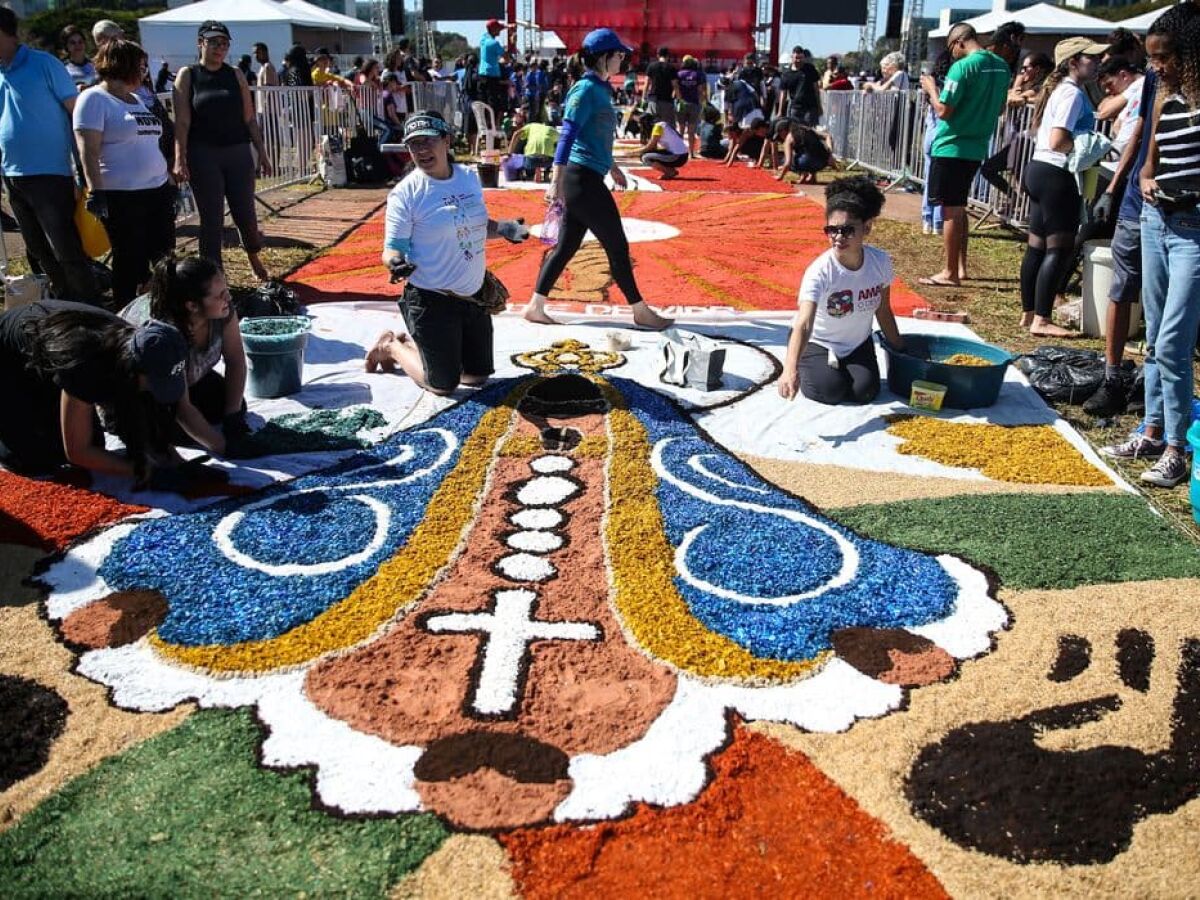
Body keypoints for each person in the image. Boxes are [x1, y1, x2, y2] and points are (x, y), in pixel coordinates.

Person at [1102, 6, 1200, 487]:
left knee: (1175, 343)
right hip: (1155, 220)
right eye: (1152, 58)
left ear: (1191, 54)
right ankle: (1153, 430)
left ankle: (1178, 449)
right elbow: (1149, 161)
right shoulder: (1162, 94)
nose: (1156, 67)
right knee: (1156, 337)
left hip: (1192, 231)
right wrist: (1145, 180)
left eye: (1164, 58)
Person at [364, 111, 530, 393]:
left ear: (447, 140)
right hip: (432, 298)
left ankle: (432, 349)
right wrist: (395, 263)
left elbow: (475, 224)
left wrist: (504, 228)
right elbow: (392, 248)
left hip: (473, 295)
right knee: (442, 385)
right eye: (414, 144)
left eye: (428, 140)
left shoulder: (467, 177)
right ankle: (391, 345)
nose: (422, 150)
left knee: (475, 377)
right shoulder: (406, 194)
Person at [523, 29, 674, 330]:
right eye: (618, 54)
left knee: (566, 247)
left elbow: (595, 137)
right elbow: (567, 136)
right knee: (616, 246)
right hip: (580, 180)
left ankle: (535, 306)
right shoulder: (585, 90)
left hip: (587, 176)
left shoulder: (599, 89)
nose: (622, 59)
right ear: (604, 57)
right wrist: (555, 182)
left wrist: (613, 166)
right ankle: (640, 311)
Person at [0, 300, 226, 489]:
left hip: (60, 353)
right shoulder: (85, 363)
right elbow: (78, 451)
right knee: (44, 457)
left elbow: (149, 412)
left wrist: (178, 463)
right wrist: (144, 471)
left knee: (108, 437)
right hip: (11, 359)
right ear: (134, 369)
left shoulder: (147, 347)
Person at [0, 7, 98, 303]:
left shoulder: (45, 63)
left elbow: (76, 114)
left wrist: (81, 168)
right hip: (12, 175)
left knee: (66, 248)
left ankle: (89, 307)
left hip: (50, 173)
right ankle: (65, 303)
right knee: (37, 249)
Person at [777, 176, 905, 405]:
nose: (838, 237)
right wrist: (790, 369)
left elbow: (883, 310)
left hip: (857, 343)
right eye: (832, 230)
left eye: (847, 230)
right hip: (818, 341)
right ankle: (810, 362)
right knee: (831, 391)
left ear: (867, 227)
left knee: (864, 392)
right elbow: (804, 323)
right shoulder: (820, 271)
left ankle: (843, 367)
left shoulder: (880, 262)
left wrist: (901, 349)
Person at [74, 39, 176, 306]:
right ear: (124, 64)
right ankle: (124, 309)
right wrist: (95, 191)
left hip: (157, 190)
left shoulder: (136, 99)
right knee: (130, 259)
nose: (144, 72)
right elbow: (88, 150)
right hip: (122, 194)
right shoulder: (94, 98)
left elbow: (149, 142)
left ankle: (162, 306)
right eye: (141, 66)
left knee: (165, 255)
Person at [1017, 37, 1107, 338]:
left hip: (1038, 169)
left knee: (1037, 246)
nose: (1097, 63)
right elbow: (1058, 140)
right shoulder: (1072, 93)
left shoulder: (1058, 90)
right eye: (1091, 58)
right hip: (1056, 173)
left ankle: (1029, 313)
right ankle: (1041, 319)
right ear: (1073, 62)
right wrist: (1087, 150)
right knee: (1059, 248)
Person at [173, 20, 272, 281]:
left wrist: (262, 151)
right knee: (211, 219)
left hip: (237, 152)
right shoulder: (188, 75)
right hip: (203, 154)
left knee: (245, 213)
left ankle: (253, 256)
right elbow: (181, 121)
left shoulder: (235, 74)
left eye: (224, 43)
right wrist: (179, 158)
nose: (220, 48)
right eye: (214, 42)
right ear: (200, 43)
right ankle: (213, 275)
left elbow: (249, 118)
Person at [917, 23, 1012, 287]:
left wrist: (931, 89)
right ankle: (960, 267)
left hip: (951, 145)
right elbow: (1000, 107)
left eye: (951, 49)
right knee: (959, 207)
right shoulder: (1002, 67)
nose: (952, 55)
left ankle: (949, 273)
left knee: (950, 210)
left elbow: (943, 110)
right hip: (977, 146)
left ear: (959, 42)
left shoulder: (962, 67)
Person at [122, 255, 248, 446]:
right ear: (192, 306)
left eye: (226, 290)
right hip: (141, 391)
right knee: (179, 433)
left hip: (185, 380)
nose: (228, 298)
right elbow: (182, 409)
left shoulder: (223, 311)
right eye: (220, 295)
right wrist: (224, 447)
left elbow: (235, 359)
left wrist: (233, 417)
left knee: (233, 405)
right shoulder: (165, 335)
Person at [777, 46, 821, 126]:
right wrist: (780, 111)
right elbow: (783, 94)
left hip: (810, 107)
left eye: (801, 58)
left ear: (804, 58)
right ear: (792, 57)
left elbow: (816, 89)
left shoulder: (810, 69)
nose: (798, 60)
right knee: (794, 129)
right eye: (796, 58)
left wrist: (819, 106)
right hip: (795, 108)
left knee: (809, 130)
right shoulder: (786, 74)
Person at [642, 46, 679, 129]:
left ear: (658, 55)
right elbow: (675, 85)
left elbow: (646, 83)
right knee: (668, 127)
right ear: (668, 56)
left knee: (653, 126)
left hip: (653, 100)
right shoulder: (671, 68)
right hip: (666, 100)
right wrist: (679, 99)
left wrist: (643, 98)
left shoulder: (651, 66)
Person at [676, 55, 706, 156]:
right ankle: (691, 152)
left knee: (681, 129)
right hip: (694, 103)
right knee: (691, 130)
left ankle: (679, 150)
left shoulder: (679, 74)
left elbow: (676, 88)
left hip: (682, 104)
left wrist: (678, 100)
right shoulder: (697, 74)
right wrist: (702, 103)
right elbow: (700, 90)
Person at [479, 18, 507, 118]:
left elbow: (492, 30)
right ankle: (492, 123)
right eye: (498, 28)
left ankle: (484, 121)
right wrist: (512, 41)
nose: (500, 30)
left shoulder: (483, 39)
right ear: (494, 29)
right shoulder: (494, 43)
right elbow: (506, 57)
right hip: (492, 75)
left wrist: (507, 27)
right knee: (494, 102)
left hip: (482, 74)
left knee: (484, 100)